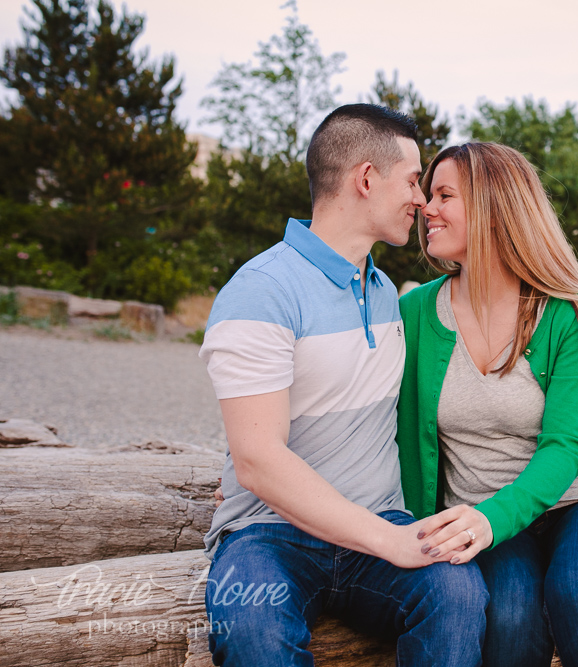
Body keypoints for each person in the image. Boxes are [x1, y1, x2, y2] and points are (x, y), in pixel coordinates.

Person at [198, 104, 488, 667]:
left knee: (458, 594)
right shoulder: (261, 290)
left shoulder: (386, 294)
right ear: (364, 178)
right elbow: (258, 460)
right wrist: (393, 543)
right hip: (266, 535)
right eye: (412, 181)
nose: (422, 200)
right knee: (252, 628)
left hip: (382, 520)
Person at [395, 142, 578, 667]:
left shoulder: (572, 315)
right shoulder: (416, 313)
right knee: (511, 617)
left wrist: (491, 519)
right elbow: (361, 407)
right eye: (429, 193)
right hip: (483, 519)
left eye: (445, 195)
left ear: (493, 208)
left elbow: (565, 446)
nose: (427, 206)